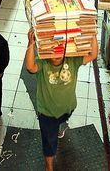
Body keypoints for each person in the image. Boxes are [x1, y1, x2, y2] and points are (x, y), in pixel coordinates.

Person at [25, 29, 98, 171]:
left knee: (61, 122)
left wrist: (93, 34)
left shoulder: (72, 60)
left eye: (60, 49)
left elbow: (93, 54)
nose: (57, 53)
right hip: (47, 112)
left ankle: (59, 126)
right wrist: (31, 43)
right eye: (53, 49)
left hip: (68, 108)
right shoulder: (43, 63)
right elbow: (30, 67)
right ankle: (49, 166)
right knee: (49, 141)